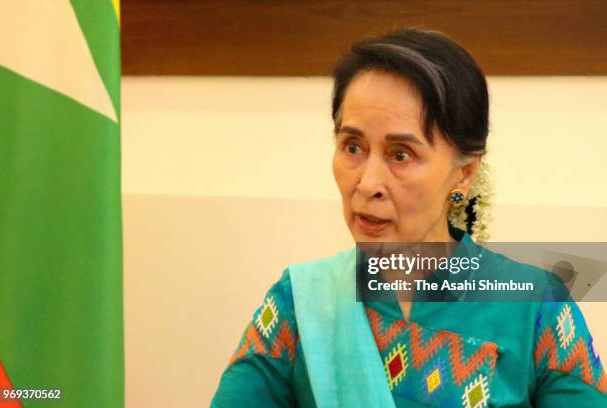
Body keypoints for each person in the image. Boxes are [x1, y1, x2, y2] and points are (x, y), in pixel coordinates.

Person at [211, 28, 607, 407]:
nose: (367, 183)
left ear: (463, 173)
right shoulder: (300, 303)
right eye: (352, 147)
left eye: (400, 155)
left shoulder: (535, 306)